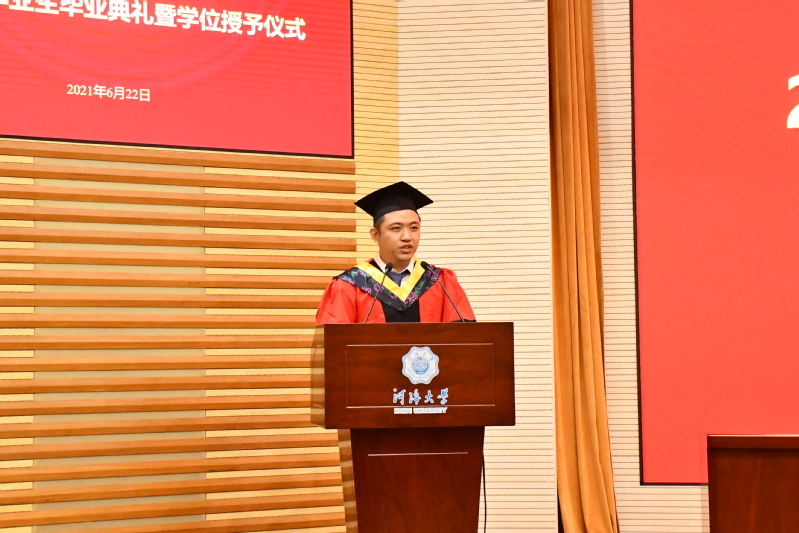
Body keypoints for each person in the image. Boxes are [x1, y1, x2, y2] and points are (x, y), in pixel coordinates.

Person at [316, 181, 475, 324]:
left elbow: (465, 339)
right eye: (396, 228)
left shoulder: (440, 281)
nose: (407, 237)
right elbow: (334, 342)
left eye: (414, 228)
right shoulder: (349, 285)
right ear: (375, 235)